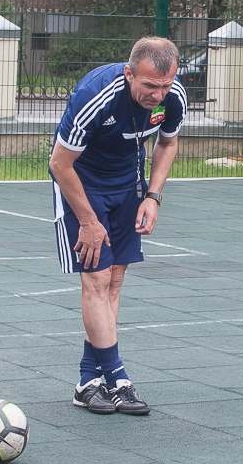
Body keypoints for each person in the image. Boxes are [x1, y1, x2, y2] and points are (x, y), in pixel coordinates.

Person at [50, 36, 187, 417]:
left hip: (129, 184)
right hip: (82, 183)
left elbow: (167, 144)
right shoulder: (95, 95)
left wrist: (153, 196)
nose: (158, 95)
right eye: (149, 86)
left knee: (114, 280)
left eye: (164, 85)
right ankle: (117, 378)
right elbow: (59, 164)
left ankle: (86, 381)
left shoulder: (173, 95)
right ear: (129, 74)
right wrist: (89, 221)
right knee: (95, 279)